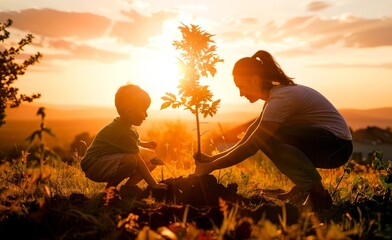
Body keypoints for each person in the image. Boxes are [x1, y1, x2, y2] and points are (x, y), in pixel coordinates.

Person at [194, 50, 353, 211]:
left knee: (267, 137)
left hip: (337, 147)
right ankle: (305, 189)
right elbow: (249, 136)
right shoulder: (276, 96)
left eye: (241, 86)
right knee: (263, 135)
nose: (241, 93)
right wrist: (211, 159)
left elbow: (251, 146)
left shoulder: (281, 99)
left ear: (255, 79)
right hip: (331, 144)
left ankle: (317, 193)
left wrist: (212, 167)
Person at [81, 84, 168, 197]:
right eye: (144, 110)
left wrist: (144, 144)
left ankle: (127, 188)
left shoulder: (126, 127)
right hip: (94, 165)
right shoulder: (123, 131)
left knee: (152, 158)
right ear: (130, 112)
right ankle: (108, 191)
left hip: (105, 161)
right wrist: (153, 184)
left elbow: (131, 142)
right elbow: (139, 161)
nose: (146, 115)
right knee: (131, 160)